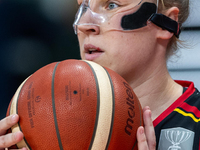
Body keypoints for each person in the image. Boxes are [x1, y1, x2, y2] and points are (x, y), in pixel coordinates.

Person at [0, 0, 199, 150]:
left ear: (165, 24)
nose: (85, 25)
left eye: (111, 5)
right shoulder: (31, 122)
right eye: (83, 7)